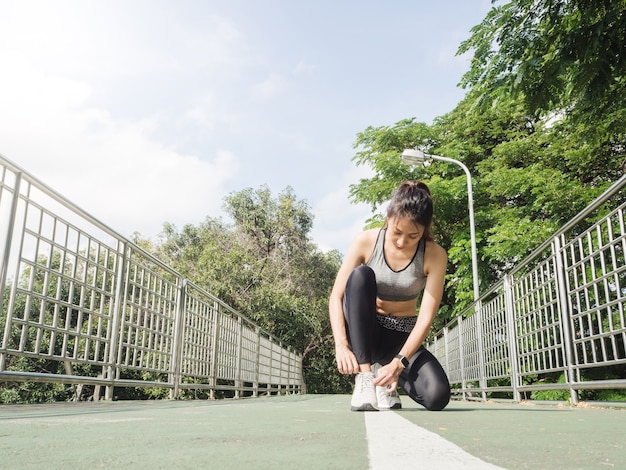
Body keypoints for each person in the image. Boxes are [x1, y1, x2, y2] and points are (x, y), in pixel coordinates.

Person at [329, 180, 451, 411]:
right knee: (361, 276)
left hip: (400, 339)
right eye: (396, 232)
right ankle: (366, 377)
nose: (402, 242)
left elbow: (425, 318)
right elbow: (337, 296)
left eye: (413, 236)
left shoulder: (435, 255)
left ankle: (384, 384)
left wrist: (399, 362)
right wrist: (341, 345)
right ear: (388, 217)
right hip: (365, 332)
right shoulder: (365, 241)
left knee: (438, 396)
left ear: (424, 230)